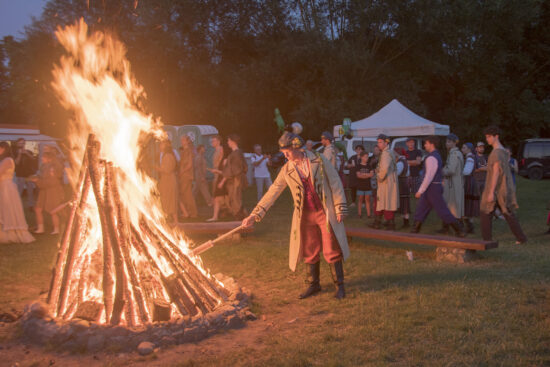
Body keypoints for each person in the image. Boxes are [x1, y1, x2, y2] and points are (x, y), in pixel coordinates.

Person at [242, 132, 349, 299]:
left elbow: (335, 182)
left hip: (324, 212)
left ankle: (339, 286)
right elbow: (273, 191)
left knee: (331, 247)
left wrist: (339, 207)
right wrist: (254, 214)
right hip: (305, 216)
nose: (285, 155)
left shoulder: (319, 160)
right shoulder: (287, 169)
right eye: (283, 152)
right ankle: (313, 285)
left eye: (288, 152)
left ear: (296, 147)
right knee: (309, 248)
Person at [480, 126, 527, 244]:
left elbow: (496, 172)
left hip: (497, 188)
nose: (487, 139)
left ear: (496, 136)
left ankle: (487, 240)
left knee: (486, 211)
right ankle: (521, 238)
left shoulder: (497, 153)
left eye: (489, 137)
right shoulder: (503, 152)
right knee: (506, 212)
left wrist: (491, 192)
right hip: (503, 187)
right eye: (486, 137)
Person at [410, 136, 465, 237]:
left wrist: (420, 191)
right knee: (421, 208)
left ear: (432, 144)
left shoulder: (431, 157)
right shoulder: (434, 156)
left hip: (433, 188)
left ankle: (459, 230)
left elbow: (429, 176)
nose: (425, 145)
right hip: (431, 188)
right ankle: (415, 230)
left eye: (426, 143)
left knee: (442, 210)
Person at [0, 142, 35, 243]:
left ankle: (11, 233)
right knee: (3, 209)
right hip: (3, 186)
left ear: (4, 149)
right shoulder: (3, 160)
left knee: (8, 209)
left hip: (6, 187)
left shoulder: (8, 160)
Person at [31, 151, 65, 234]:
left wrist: (38, 181)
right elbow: (42, 176)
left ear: (49, 158)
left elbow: (52, 181)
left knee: (53, 210)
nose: (42, 158)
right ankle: (40, 228)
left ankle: (56, 229)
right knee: (38, 209)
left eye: (44, 157)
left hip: (53, 192)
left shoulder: (53, 167)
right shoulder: (44, 166)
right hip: (44, 191)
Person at [370, 134, 399, 230]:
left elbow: (384, 169)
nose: (378, 144)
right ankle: (380, 222)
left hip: (386, 181)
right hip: (389, 181)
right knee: (384, 201)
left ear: (386, 143)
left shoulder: (386, 153)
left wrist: (379, 177)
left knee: (386, 201)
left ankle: (388, 224)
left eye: (380, 142)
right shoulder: (388, 152)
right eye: (378, 142)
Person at [440, 133, 464, 234]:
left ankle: (458, 228)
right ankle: (447, 226)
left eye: (449, 141)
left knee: (453, 205)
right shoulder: (454, 153)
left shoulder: (454, 154)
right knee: (450, 204)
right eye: (446, 141)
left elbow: (451, 170)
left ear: (454, 143)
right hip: (453, 183)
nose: (447, 143)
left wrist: (441, 171)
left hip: (453, 184)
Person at [222, 134, 247, 220]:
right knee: (234, 198)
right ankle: (241, 214)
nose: (227, 142)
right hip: (234, 179)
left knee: (235, 198)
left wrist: (225, 177)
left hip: (235, 180)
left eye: (228, 140)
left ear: (233, 142)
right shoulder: (236, 153)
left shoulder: (236, 154)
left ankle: (239, 217)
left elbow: (235, 169)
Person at [156, 139, 177, 223]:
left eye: (161, 144)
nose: (160, 146)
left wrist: (157, 168)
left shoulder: (168, 156)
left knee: (170, 199)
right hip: (166, 180)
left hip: (169, 180)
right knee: (166, 199)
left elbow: (167, 170)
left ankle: (176, 221)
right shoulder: (166, 155)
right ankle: (169, 218)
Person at [206, 137, 226, 222]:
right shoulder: (216, 150)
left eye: (213, 141)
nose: (212, 142)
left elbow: (223, 163)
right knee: (217, 196)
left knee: (218, 196)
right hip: (216, 174)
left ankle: (217, 214)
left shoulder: (221, 149)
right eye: (211, 141)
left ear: (218, 141)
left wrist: (217, 170)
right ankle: (220, 213)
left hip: (220, 174)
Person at [13, 138, 37, 208]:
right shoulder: (14, 152)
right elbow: (16, 163)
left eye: (23, 143)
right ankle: (17, 205)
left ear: (25, 144)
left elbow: (33, 159)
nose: (21, 145)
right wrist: (20, 154)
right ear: (17, 144)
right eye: (20, 143)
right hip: (20, 175)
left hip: (29, 174)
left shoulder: (29, 151)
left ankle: (31, 205)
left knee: (30, 191)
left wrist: (26, 153)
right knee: (19, 191)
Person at [461, 142, 479, 233]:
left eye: (463, 148)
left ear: (469, 149)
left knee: (467, 203)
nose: (462, 149)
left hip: (469, 182)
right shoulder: (471, 157)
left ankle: (469, 227)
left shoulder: (470, 158)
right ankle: (469, 226)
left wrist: (458, 172)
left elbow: (467, 171)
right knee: (469, 204)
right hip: (471, 182)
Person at [178, 135, 198, 219]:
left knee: (188, 194)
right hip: (184, 175)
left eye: (183, 140)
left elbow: (189, 165)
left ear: (187, 141)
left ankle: (193, 213)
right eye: (181, 140)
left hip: (186, 175)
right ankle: (189, 212)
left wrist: (182, 171)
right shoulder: (184, 151)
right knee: (185, 194)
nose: (181, 142)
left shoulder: (188, 151)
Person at [395, 148, 410, 228]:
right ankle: (406, 221)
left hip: (402, 183)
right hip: (405, 182)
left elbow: (396, 173)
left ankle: (406, 223)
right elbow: (408, 172)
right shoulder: (405, 161)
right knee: (405, 202)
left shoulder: (400, 162)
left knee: (404, 203)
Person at [355, 151, 373, 218]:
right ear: (362, 157)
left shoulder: (369, 166)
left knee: (367, 200)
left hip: (367, 185)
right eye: (365, 157)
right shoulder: (358, 166)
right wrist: (367, 175)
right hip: (360, 185)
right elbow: (358, 175)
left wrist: (363, 175)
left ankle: (369, 214)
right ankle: (359, 214)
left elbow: (371, 174)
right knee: (360, 199)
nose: (367, 158)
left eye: (367, 157)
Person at [368, 146, 381, 216]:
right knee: (373, 194)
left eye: (377, 150)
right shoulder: (370, 158)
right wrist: (371, 163)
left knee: (379, 194)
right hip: (373, 178)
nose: (376, 151)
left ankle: (379, 210)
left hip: (380, 177)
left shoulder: (382, 158)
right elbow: (367, 167)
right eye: (375, 150)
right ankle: (373, 211)